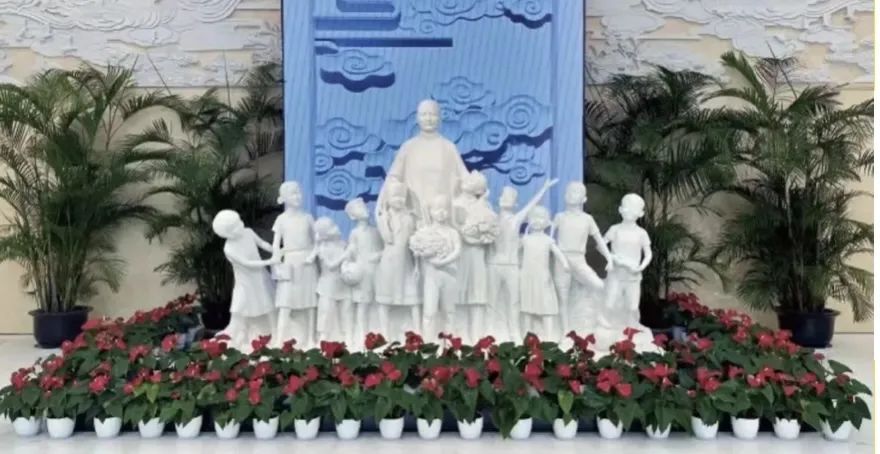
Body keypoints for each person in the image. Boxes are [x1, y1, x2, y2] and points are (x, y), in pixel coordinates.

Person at [377, 99, 469, 223]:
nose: (428, 119)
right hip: (416, 213)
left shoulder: (448, 147)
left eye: (432, 114)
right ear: (417, 118)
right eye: (424, 115)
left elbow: (464, 177)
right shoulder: (408, 147)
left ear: (440, 118)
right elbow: (394, 177)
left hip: (442, 213)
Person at [488, 178, 557, 341]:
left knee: (515, 301)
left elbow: (531, 205)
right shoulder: (491, 219)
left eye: (510, 197)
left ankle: (515, 332)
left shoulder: (516, 219)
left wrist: (544, 188)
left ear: (516, 204)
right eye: (503, 196)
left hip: (512, 265)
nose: (505, 199)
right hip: (494, 264)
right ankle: (489, 331)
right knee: (491, 301)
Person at [551, 182, 612, 333]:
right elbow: (550, 239)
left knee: (599, 285)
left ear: (584, 199)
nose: (571, 195)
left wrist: (609, 259)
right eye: (569, 191)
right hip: (561, 260)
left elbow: (599, 240)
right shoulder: (560, 217)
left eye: (576, 192)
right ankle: (565, 331)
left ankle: (599, 316)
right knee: (563, 298)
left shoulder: (587, 219)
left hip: (579, 260)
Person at [212, 209, 276, 351]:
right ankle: (248, 330)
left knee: (269, 300)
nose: (240, 225)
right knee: (245, 304)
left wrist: (274, 250)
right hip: (246, 280)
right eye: (235, 226)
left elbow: (262, 244)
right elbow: (247, 263)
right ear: (227, 233)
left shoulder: (248, 232)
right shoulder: (229, 248)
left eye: (239, 221)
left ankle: (274, 330)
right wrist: (269, 261)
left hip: (261, 275)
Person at [270, 181, 318, 347]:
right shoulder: (281, 219)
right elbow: (276, 244)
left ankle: (311, 338)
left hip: (307, 263)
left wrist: (312, 255)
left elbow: (318, 241)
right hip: (290, 263)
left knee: (310, 303)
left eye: (299, 192)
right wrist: (277, 261)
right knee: (285, 302)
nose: (298, 196)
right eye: (293, 193)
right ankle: (280, 339)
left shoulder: (308, 218)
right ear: (284, 198)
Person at [375, 180, 421, 336]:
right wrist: (383, 219)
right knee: (385, 299)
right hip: (389, 260)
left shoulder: (410, 218)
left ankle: (418, 332)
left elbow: (415, 242)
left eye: (402, 197)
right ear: (388, 199)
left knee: (413, 298)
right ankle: (384, 334)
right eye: (395, 197)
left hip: (407, 261)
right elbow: (387, 238)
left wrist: (417, 265)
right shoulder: (385, 218)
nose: (399, 200)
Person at [411, 195, 461, 340]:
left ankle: (450, 345)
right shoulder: (424, 233)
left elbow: (457, 250)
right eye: (437, 209)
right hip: (431, 276)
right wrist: (419, 264)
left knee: (449, 311)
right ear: (430, 211)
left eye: (444, 209)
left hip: (449, 275)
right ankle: (428, 345)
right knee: (429, 312)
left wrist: (443, 262)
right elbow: (417, 252)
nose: (441, 213)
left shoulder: (452, 232)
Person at [600, 194, 653, 328]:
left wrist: (640, 267)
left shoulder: (641, 233)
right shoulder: (615, 229)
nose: (629, 211)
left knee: (633, 307)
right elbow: (600, 245)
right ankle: (606, 324)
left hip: (633, 276)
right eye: (627, 207)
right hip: (616, 274)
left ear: (640, 213)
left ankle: (632, 327)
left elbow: (648, 254)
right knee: (609, 303)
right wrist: (611, 258)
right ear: (620, 209)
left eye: (634, 208)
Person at [451, 170, 493, 342]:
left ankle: (476, 337)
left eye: (472, 181)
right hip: (458, 254)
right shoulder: (453, 204)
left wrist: (478, 237)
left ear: (479, 190)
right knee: (456, 295)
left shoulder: (484, 207)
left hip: (476, 254)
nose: (466, 181)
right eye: (468, 179)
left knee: (477, 295)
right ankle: (455, 334)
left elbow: (490, 232)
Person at [520, 206, 569, 341]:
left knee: (547, 305)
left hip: (542, 276)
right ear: (529, 220)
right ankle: (527, 335)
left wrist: (565, 263)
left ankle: (549, 336)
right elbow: (515, 251)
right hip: (527, 277)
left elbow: (558, 253)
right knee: (527, 306)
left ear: (547, 222)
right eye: (534, 217)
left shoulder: (548, 240)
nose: (537, 221)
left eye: (541, 218)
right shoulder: (525, 239)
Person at [340, 198, 383, 342]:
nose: (364, 209)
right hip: (362, 272)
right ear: (352, 216)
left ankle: (378, 333)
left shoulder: (376, 231)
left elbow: (383, 249)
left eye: (364, 206)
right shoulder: (355, 233)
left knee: (378, 302)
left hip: (376, 270)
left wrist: (379, 255)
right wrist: (345, 264)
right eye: (359, 208)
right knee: (362, 304)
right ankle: (362, 335)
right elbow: (351, 251)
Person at [311, 217, 353, 344]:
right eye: (332, 227)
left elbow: (349, 260)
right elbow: (330, 266)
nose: (336, 228)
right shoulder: (322, 248)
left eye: (334, 225)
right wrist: (344, 256)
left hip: (343, 282)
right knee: (326, 311)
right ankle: (323, 336)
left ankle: (347, 334)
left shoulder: (343, 244)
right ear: (325, 234)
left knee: (346, 310)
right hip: (328, 284)